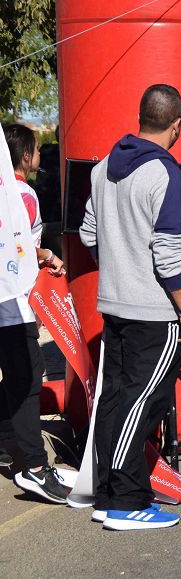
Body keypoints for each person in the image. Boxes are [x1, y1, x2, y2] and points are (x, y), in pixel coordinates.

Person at [80, 84, 181, 530]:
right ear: (176, 125)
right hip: (155, 311)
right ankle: (126, 503)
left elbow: (90, 234)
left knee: (114, 400)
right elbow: (169, 252)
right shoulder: (165, 175)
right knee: (141, 403)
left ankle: (108, 495)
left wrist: (119, 270)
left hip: (115, 305)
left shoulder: (105, 167)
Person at [0, 123, 68, 502]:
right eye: (39, 150)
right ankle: (36, 469)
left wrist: (43, 254)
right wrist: (46, 258)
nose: (41, 156)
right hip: (14, 303)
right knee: (27, 383)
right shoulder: (22, 194)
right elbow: (23, 248)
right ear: (25, 156)